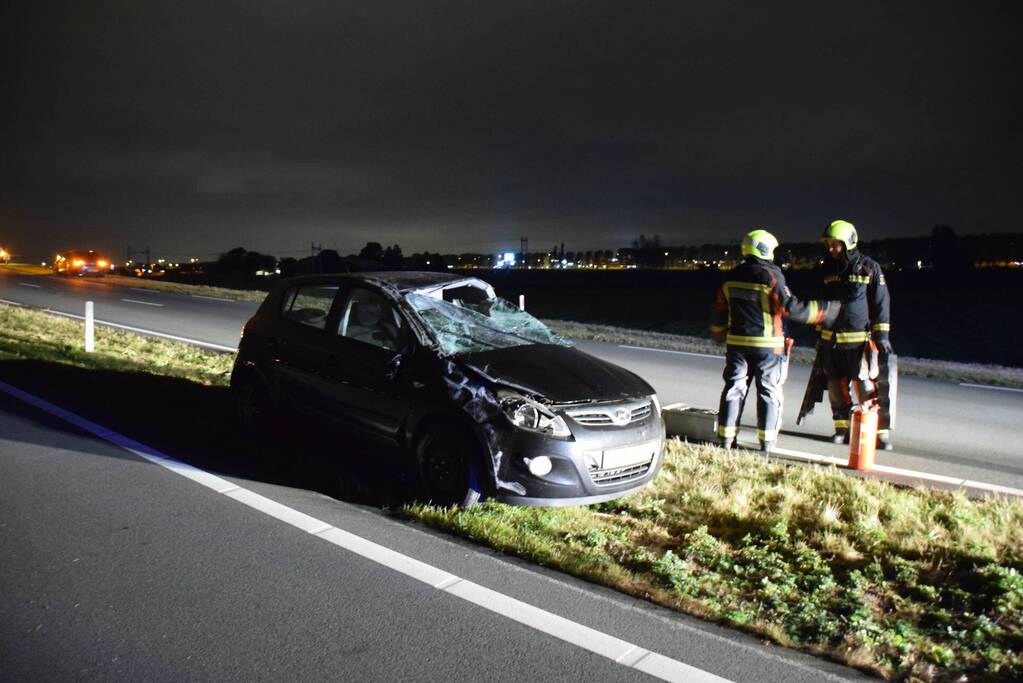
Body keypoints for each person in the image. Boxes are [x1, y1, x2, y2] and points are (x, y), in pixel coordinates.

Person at [710, 229, 837, 453]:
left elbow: (720, 311)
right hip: (768, 348)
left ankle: (726, 440)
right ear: (765, 249)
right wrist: (826, 312)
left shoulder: (729, 278)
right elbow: (792, 308)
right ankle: (766, 444)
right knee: (769, 391)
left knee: (733, 389)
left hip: (737, 346)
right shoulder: (771, 277)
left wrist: (718, 334)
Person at [818, 219, 894, 449]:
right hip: (831, 340)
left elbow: (881, 302)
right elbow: (822, 303)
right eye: (829, 244)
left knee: (865, 386)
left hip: (859, 340)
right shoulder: (827, 269)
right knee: (834, 386)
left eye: (836, 244)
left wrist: (882, 336)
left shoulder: (869, 267)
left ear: (849, 242)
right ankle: (841, 429)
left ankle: (877, 433)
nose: (831, 248)